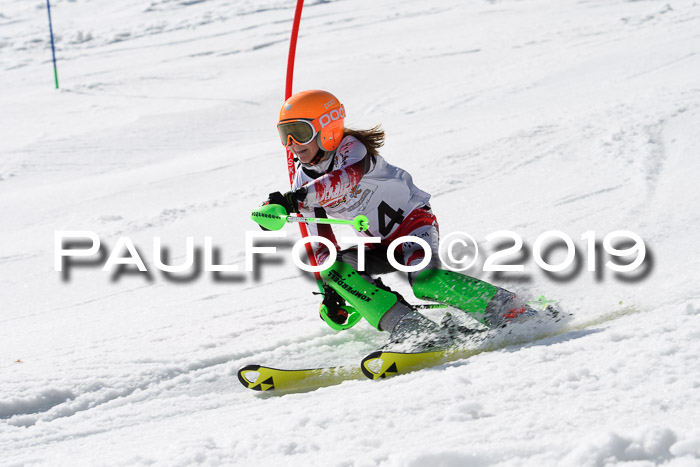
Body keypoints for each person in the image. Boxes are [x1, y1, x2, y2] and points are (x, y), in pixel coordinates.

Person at [263, 90, 541, 350]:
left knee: (425, 282)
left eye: (300, 132)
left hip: (411, 224)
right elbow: (319, 240)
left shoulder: (352, 149)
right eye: (285, 135)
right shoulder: (302, 181)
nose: (292, 144)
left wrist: (292, 199)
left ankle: (509, 309)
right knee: (333, 268)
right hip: (376, 243)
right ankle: (413, 329)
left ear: (328, 127)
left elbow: (344, 181)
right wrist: (331, 291)